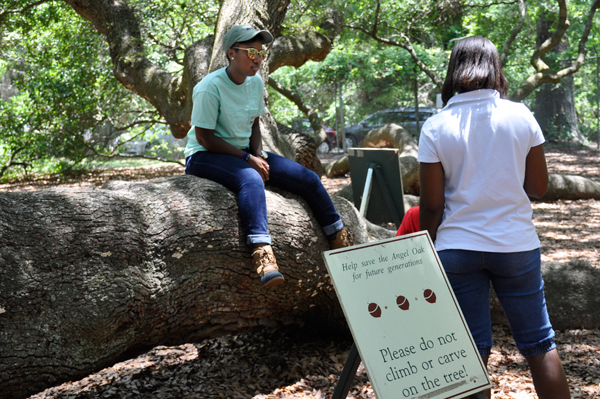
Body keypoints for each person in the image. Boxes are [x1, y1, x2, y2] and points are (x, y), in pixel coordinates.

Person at [418, 36, 570, 399]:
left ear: (454, 70)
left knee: (471, 352)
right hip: (515, 246)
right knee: (539, 343)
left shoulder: (436, 126)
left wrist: (424, 247)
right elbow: (538, 187)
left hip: (457, 249)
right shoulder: (521, 115)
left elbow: (433, 204)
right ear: (495, 69)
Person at [184, 25, 351, 288]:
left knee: (307, 177)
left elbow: (254, 123)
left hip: (243, 151)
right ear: (230, 53)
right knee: (251, 179)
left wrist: (258, 154)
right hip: (205, 154)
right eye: (250, 52)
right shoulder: (209, 87)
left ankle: (339, 237)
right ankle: (262, 253)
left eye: (261, 52)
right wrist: (247, 159)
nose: (257, 58)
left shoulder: (256, 82)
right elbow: (204, 137)